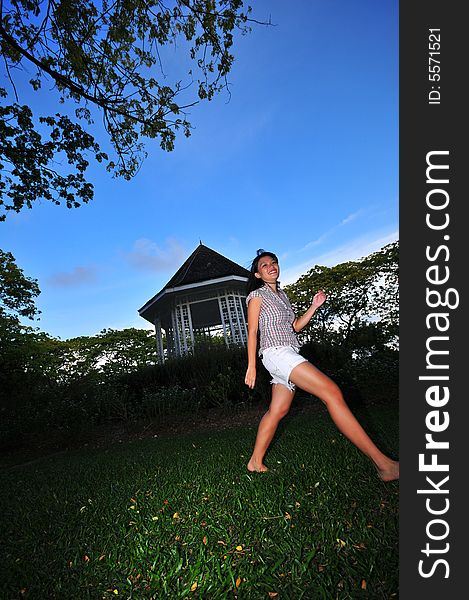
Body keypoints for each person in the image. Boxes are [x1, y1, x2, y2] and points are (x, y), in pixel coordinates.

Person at [244, 249, 399, 482]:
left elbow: (295, 327)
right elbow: (253, 331)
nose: (271, 266)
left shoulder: (283, 297)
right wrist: (251, 366)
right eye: (265, 265)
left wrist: (314, 306)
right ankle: (384, 465)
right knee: (332, 392)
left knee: (278, 410)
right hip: (275, 353)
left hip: (287, 351)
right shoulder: (257, 296)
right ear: (257, 274)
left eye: (274, 262)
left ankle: (255, 462)